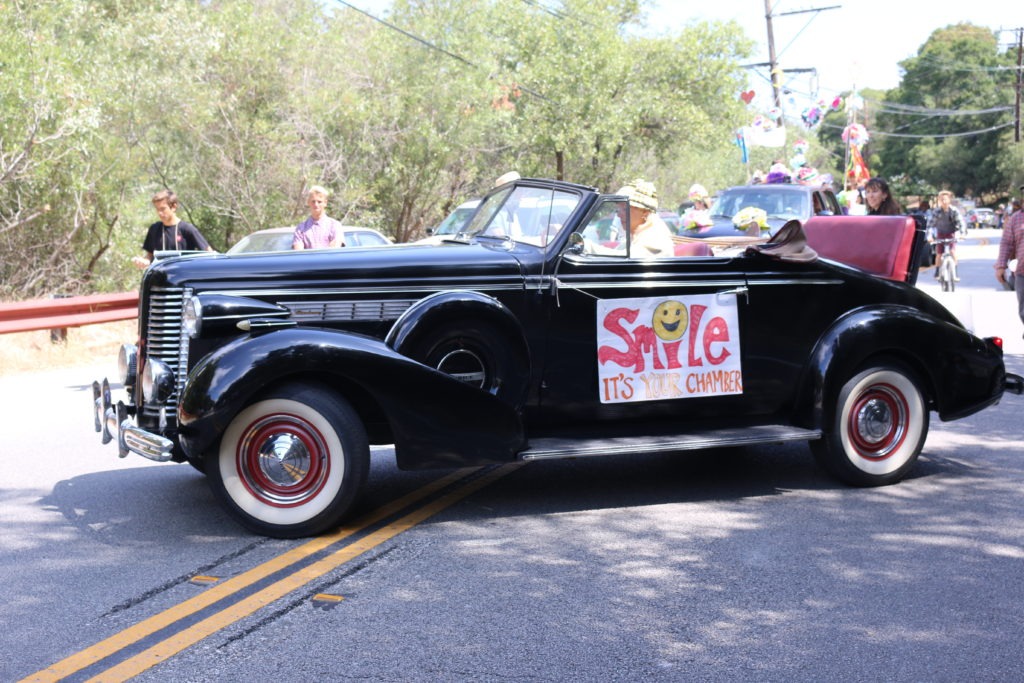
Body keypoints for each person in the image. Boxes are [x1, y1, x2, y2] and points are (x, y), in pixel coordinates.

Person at [133, 189, 213, 268]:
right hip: (159, 278)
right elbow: (150, 255)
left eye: (163, 209)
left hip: (182, 278)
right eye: (157, 209)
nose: (160, 213)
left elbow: (209, 253)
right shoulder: (154, 229)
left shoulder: (187, 229)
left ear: (174, 207)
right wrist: (144, 261)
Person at [617, 179, 674, 258]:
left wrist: (593, 248)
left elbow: (627, 259)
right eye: (618, 209)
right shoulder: (635, 236)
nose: (619, 215)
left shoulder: (656, 238)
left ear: (645, 212)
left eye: (625, 209)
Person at [995, 196, 1024, 334]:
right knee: (1023, 310)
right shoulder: (1016, 218)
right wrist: (1001, 266)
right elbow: (1006, 243)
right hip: (1022, 272)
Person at [292, 185, 344, 250]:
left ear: (325, 203)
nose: (316, 204)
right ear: (308, 202)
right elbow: (299, 254)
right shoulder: (300, 229)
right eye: (313, 201)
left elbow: (334, 251)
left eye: (319, 202)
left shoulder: (335, 226)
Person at [928, 190, 964, 279]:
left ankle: (955, 273)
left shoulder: (954, 211)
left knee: (952, 251)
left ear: (949, 200)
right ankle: (937, 271)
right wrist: (929, 235)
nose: (944, 201)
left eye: (946, 199)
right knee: (939, 254)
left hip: (951, 233)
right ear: (940, 200)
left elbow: (961, 223)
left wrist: (962, 234)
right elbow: (930, 224)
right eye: (942, 200)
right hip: (940, 233)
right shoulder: (937, 211)